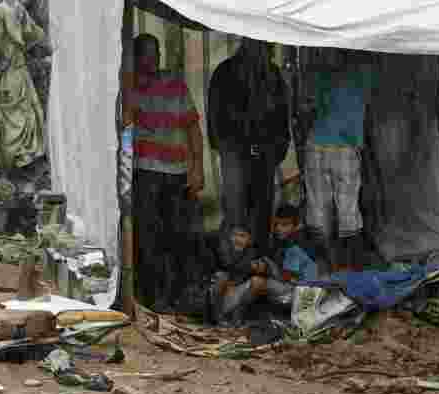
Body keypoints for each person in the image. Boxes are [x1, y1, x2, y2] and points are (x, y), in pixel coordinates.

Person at [129, 33, 205, 312]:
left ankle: (177, 296)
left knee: (178, 236)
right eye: (147, 54)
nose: (153, 59)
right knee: (149, 237)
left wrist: (197, 168)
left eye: (156, 53)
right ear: (136, 57)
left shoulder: (176, 85)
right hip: (145, 172)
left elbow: (193, 128)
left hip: (176, 173)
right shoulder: (129, 85)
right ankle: (153, 297)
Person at [207, 38, 291, 256]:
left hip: (261, 151)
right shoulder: (226, 72)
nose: (268, 50)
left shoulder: (271, 73)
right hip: (237, 150)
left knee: (260, 207)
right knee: (237, 210)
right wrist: (223, 145)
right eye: (264, 45)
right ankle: (237, 262)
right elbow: (215, 114)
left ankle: (258, 259)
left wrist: (279, 146)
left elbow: (282, 113)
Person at [298, 57, 378, 273]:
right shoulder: (366, 68)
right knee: (348, 209)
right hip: (345, 146)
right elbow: (371, 106)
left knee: (317, 207)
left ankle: (326, 266)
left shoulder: (319, 69)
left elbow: (307, 108)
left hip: (316, 143)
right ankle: (352, 268)